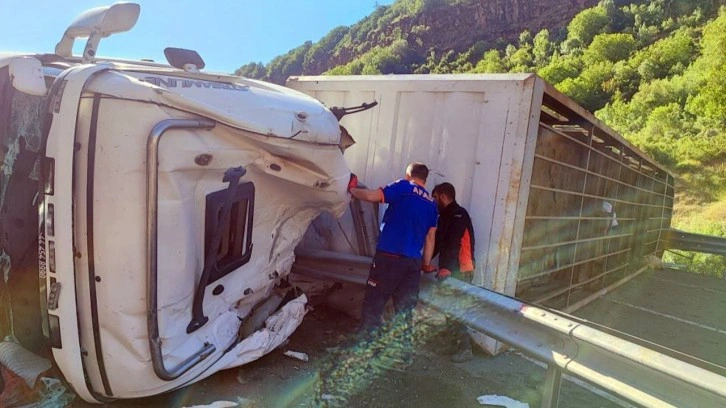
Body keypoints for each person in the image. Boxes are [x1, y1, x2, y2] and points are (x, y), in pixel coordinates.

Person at [347, 162, 438, 362]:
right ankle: (403, 354)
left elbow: (372, 196)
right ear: (425, 179)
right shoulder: (431, 203)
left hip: (389, 257)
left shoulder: (403, 187)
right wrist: (426, 264)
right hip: (412, 263)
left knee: (374, 304)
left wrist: (352, 190)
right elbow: (430, 238)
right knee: (404, 309)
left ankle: (365, 350)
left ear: (408, 175)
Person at [431, 182, 476, 362]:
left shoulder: (459, 214)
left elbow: (453, 242)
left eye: (435, 197)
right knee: (449, 309)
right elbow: (440, 242)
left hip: (460, 270)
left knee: (457, 310)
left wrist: (447, 267)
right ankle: (454, 345)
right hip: (451, 269)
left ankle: (465, 349)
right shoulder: (445, 216)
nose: (434, 201)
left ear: (442, 196)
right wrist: (423, 261)